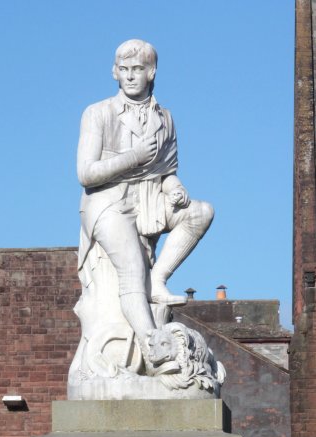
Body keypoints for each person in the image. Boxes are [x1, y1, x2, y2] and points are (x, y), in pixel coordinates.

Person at [76, 39, 214, 358]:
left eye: (137, 69)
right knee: (131, 267)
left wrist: (174, 187)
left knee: (201, 212)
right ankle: (152, 343)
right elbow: (85, 174)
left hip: (150, 198)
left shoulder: (165, 118)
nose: (130, 76)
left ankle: (159, 279)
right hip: (108, 200)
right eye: (123, 70)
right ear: (114, 72)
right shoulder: (97, 113)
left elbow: (167, 171)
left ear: (151, 72)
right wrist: (133, 156)